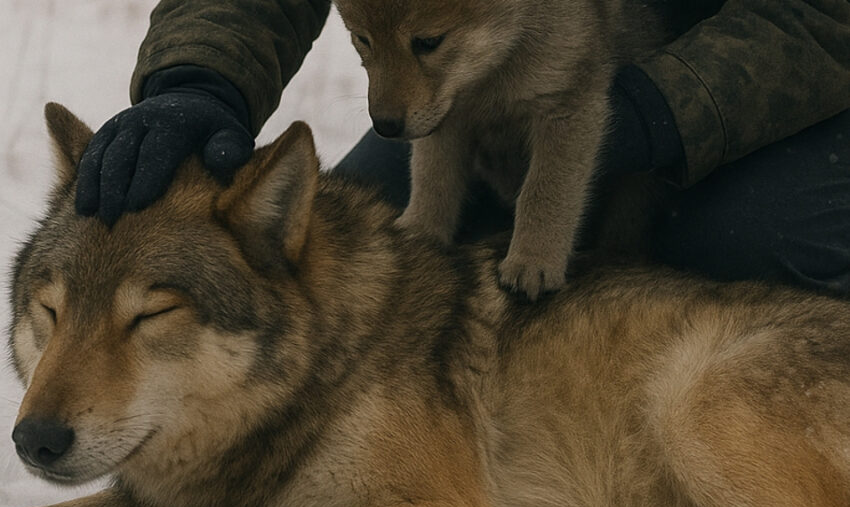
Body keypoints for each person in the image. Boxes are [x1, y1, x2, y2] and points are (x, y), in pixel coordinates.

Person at [76, 0, 850, 295]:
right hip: (481, 92)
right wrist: (199, 77)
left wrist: (671, 106)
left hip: (779, 85)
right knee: (343, 260)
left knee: (743, 242)